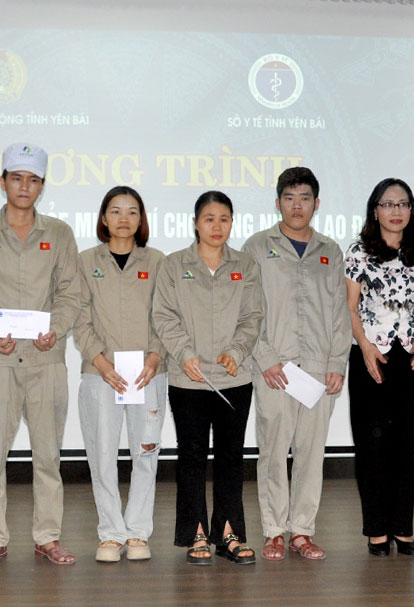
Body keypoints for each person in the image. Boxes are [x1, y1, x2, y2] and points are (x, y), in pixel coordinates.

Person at [0, 142, 81, 568]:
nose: (24, 186)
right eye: (16, 177)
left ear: (42, 186)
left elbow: (70, 294)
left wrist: (56, 329)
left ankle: (48, 536)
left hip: (45, 360)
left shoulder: (59, 233)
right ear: (3, 181)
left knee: (48, 455)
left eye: (33, 179)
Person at [242, 167, 351, 561]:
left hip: (320, 369)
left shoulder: (330, 250)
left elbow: (341, 312)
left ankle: (302, 530)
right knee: (273, 450)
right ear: (277, 203)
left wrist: (337, 362)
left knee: (311, 452)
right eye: (289, 198)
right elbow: (248, 311)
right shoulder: (256, 247)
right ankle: (273, 530)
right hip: (275, 370)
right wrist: (267, 359)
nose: (297, 205)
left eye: (304, 197)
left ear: (316, 203)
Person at [153, 191, 262, 566]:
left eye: (225, 219)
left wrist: (237, 351)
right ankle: (196, 534)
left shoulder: (245, 265)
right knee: (192, 457)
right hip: (189, 380)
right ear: (195, 222)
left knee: (232, 457)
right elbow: (164, 316)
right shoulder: (173, 265)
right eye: (209, 219)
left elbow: (253, 316)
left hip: (235, 378)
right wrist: (185, 355)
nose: (217, 227)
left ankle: (229, 533)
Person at [74, 186, 167, 562]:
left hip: (148, 373)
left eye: (132, 211)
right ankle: (110, 533)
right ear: (103, 218)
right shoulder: (83, 261)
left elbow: (166, 315)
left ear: (141, 219)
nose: (124, 218)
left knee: (146, 453)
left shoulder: (159, 261)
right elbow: (79, 317)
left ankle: (138, 533)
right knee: (102, 455)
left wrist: (155, 357)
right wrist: (101, 362)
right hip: (100, 375)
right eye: (115, 211)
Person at [344, 178, 414, 557]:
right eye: (388, 203)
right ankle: (376, 530)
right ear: (374, 209)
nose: (396, 211)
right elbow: (350, 306)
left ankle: (403, 528)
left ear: (411, 211)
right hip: (370, 357)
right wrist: (363, 347)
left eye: (403, 204)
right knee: (372, 446)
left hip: (412, 358)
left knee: (406, 446)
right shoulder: (359, 252)